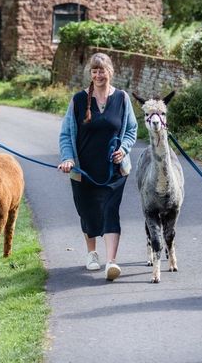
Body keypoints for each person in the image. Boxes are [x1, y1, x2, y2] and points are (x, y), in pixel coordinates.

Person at [58, 52, 138, 281]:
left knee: (111, 212)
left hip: (114, 170)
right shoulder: (78, 100)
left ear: (110, 71)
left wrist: (124, 149)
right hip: (84, 171)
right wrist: (68, 158)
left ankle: (111, 262)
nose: (98, 75)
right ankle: (92, 253)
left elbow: (131, 129)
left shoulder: (122, 99)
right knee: (89, 213)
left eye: (102, 70)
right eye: (94, 71)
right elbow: (65, 134)